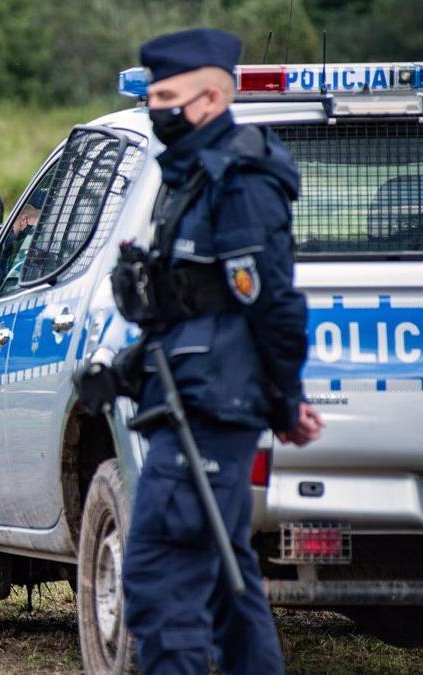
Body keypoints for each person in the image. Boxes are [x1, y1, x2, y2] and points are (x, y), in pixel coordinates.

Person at [113, 29, 326, 674]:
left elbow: (275, 304)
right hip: (191, 395)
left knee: (160, 576)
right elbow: (191, 300)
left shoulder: (240, 177)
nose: (157, 109)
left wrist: (284, 402)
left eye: (167, 96)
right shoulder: (192, 174)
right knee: (229, 583)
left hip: (213, 404)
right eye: (152, 96)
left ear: (209, 99)